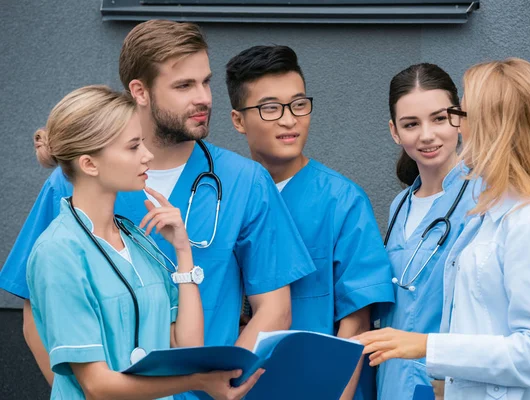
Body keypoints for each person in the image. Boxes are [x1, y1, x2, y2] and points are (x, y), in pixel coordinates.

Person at [0, 20, 315, 391]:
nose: (204, 98)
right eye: (184, 85)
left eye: (206, 82)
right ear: (140, 91)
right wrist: (84, 391)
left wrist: (217, 387)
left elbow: (274, 310)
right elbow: (36, 315)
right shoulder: (75, 182)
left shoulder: (246, 182)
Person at [356, 58, 530, 399]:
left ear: (493, 124)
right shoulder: (496, 210)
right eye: (412, 123)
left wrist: (432, 350)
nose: (453, 124)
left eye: (456, 114)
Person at [27, 85, 262, 399]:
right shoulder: (58, 253)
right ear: (89, 164)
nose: (147, 156)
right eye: (133, 146)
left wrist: (183, 251)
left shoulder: (137, 241)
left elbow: (186, 344)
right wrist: (198, 382)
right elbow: (96, 386)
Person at [225, 45, 395, 400]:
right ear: (238, 120)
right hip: (236, 386)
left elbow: (356, 322)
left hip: (319, 388)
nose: (289, 120)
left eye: (299, 104)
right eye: (271, 108)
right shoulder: (225, 198)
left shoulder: (342, 200)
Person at [373, 63, 479, 400]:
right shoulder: (400, 204)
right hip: (391, 379)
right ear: (394, 131)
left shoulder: (485, 200)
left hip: (449, 383)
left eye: (439, 118)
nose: (427, 135)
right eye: (411, 124)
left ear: (459, 117)